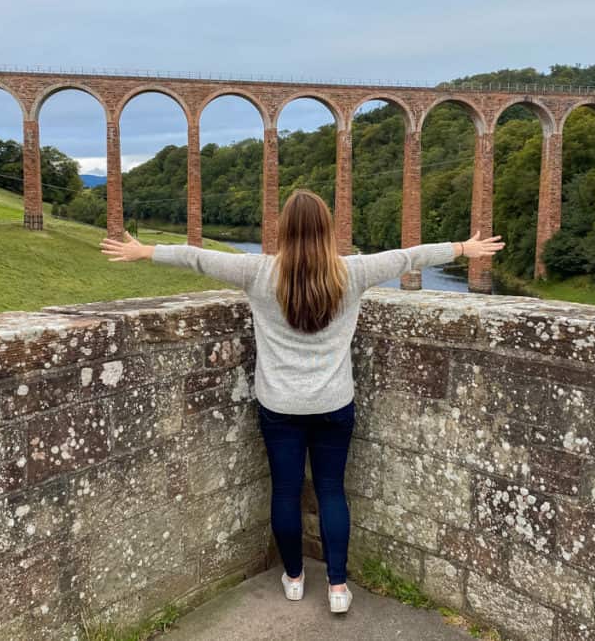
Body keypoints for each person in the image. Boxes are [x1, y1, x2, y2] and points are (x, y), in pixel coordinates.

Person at [99, 189, 504, 614]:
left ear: (283, 230)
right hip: (334, 403)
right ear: (327, 229)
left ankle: (293, 577)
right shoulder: (353, 272)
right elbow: (408, 258)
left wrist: (145, 251)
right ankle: (338, 588)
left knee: (286, 492)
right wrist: (463, 248)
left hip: (280, 406)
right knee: (331, 491)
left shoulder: (259, 272)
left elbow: (197, 258)